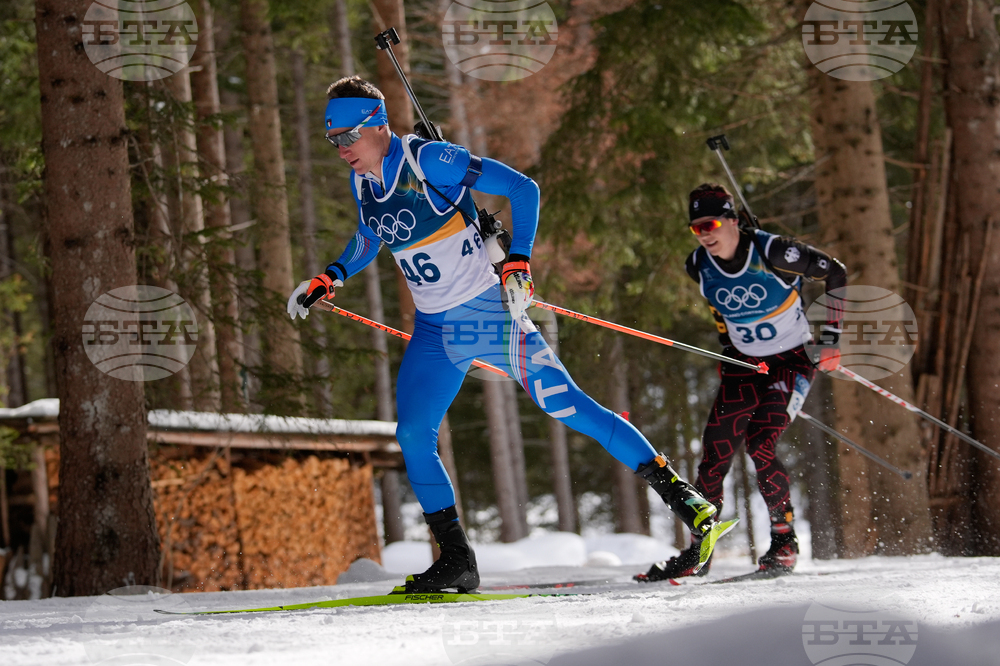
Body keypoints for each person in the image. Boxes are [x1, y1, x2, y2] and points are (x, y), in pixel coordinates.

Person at [286, 76, 735, 592]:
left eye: (348, 137)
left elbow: (524, 187)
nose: (342, 150)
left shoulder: (428, 160)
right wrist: (331, 275)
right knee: (412, 433)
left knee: (566, 404)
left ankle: (687, 501)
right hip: (434, 331)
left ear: (378, 124)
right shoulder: (362, 178)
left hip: (488, 318)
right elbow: (370, 233)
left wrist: (518, 261)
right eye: (333, 141)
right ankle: (456, 557)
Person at [637, 183, 847, 582]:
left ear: (733, 219)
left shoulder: (772, 251)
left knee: (760, 444)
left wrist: (832, 338)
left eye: (712, 223)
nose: (705, 233)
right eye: (696, 228)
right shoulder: (697, 265)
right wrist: (726, 347)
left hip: (792, 361)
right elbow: (721, 310)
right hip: (743, 365)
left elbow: (835, 272)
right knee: (713, 455)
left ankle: (784, 541)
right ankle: (702, 549)